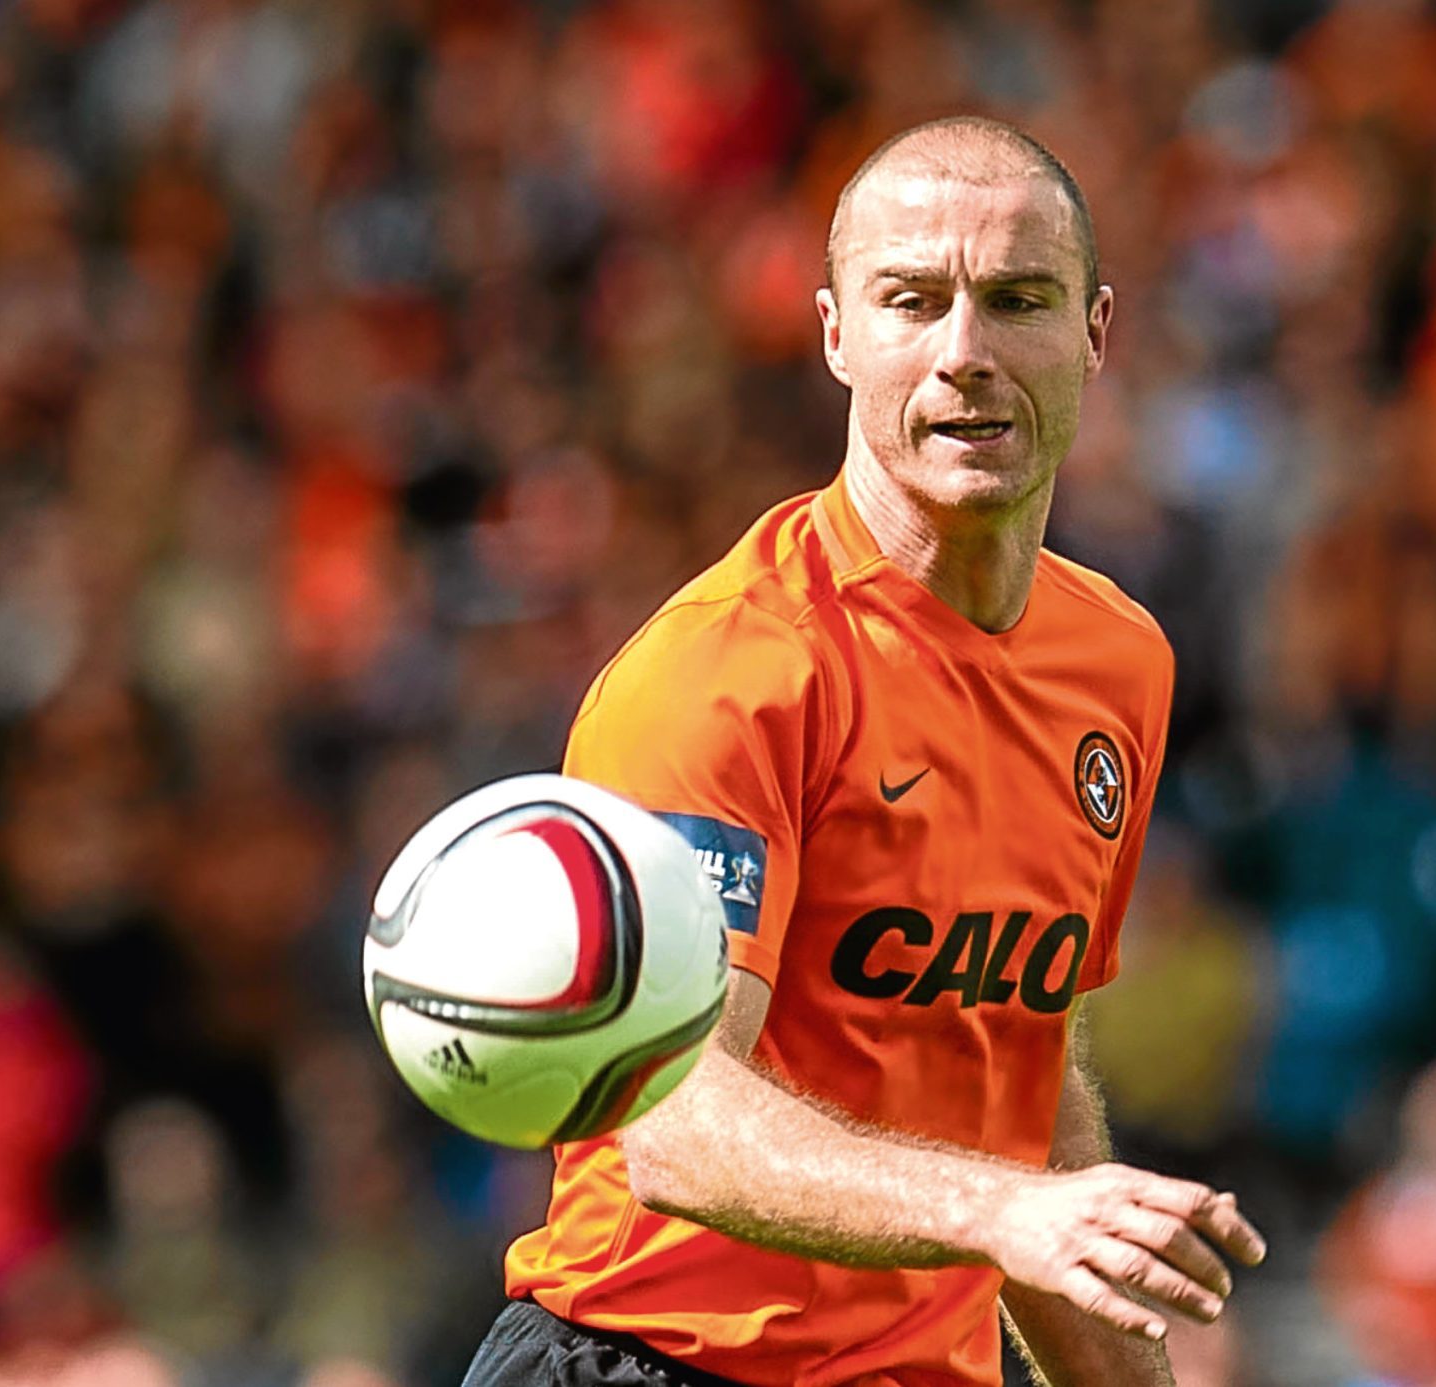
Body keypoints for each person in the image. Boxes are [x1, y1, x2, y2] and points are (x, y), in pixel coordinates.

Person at [463, 116, 1267, 1387]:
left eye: (1017, 301)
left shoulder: (1121, 664)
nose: (965, 355)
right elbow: (669, 1120)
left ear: (1096, 335)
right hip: (648, 1364)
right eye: (913, 301)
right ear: (838, 332)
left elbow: (1021, 1070)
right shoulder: (730, 670)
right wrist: (997, 1214)